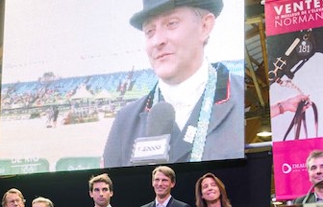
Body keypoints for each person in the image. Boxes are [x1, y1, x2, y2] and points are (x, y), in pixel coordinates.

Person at [102, 0, 244, 167]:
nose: (157, 41)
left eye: (171, 24)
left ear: (204, 26)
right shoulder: (125, 122)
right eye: (149, 31)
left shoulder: (244, 98)